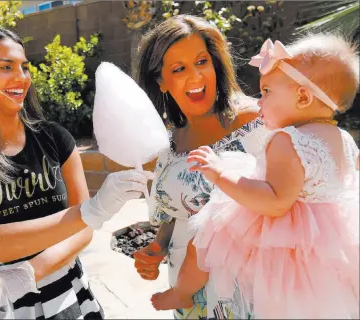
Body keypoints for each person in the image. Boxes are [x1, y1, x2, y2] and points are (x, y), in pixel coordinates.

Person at [151, 34, 360, 319]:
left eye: (266, 93)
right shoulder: (343, 138)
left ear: (302, 96)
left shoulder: (287, 139)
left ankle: (181, 292)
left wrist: (220, 174)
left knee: (206, 235)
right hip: (323, 243)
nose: (259, 102)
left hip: (282, 233)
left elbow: (275, 201)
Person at [0, 28, 153, 319]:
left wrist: (30, 273)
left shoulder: (55, 139)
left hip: (67, 293)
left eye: (24, 66)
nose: (21, 77)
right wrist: (90, 211)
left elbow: (84, 230)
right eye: (5, 67)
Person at [132, 15, 269, 319]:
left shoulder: (257, 122)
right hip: (188, 300)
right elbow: (175, 217)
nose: (195, 77)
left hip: (248, 296)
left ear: (215, 64)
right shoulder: (169, 143)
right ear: (161, 81)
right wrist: (158, 248)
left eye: (201, 62)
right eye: (179, 69)